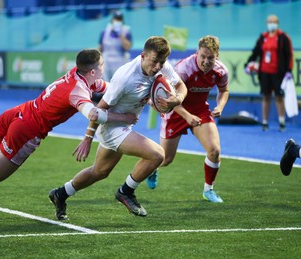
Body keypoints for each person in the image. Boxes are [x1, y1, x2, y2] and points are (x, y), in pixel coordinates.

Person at [0, 49, 139, 223]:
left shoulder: (78, 76)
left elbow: (107, 87)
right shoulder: (78, 90)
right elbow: (94, 113)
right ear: (92, 71)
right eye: (101, 66)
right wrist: (124, 119)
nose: (104, 68)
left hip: (18, 112)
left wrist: (133, 89)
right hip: (27, 130)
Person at [48, 36, 187, 220]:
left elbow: (180, 86)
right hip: (111, 126)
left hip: (125, 125)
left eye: (161, 63)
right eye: (154, 62)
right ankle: (126, 192)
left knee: (100, 172)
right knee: (157, 154)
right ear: (143, 55)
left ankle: (61, 193)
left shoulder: (162, 65)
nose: (157, 67)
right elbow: (99, 110)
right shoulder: (125, 77)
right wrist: (87, 138)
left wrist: (177, 99)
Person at [146, 35, 229, 203]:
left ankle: (208, 190)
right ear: (197, 53)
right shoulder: (184, 69)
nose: (206, 61)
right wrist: (187, 116)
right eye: (203, 56)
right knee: (166, 159)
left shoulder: (221, 71)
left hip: (200, 110)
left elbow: (224, 90)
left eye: (210, 58)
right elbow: (171, 98)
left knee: (214, 151)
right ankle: (151, 168)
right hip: (175, 110)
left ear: (217, 56)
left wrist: (220, 107)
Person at [244, 14, 293, 132]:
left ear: (277, 23)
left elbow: (289, 55)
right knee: (266, 97)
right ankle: (265, 122)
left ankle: (282, 122)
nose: (272, 23)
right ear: (267, 23)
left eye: (274, 21)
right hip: (264, 73)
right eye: (270, 21)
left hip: (278, 73)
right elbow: (255, 53)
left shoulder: (283, 37)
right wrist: (248, 64)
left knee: (279, 97)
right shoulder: (263, 37)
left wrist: (289, 70)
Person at [98, 10, 132, 82]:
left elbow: (127, 47)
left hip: (120, 63)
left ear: (122, 21)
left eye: (119, 19)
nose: (117, 21)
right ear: (112, 19)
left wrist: (120, 35)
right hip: (106, 63)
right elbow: (100, 48)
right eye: (116, 19)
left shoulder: (126, 32)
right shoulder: (105, 32)